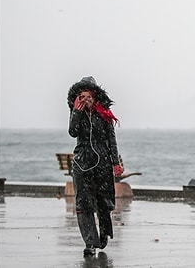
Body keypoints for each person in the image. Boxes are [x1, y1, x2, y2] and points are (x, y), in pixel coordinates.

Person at [67, 76, 124, 257]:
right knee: (84, 204)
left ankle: (105, 233)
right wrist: (76, 112)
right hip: (82, 162)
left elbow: (111, 140)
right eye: (81, 96)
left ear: (94, 94)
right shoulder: (77, 112)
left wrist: (115, 162)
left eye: (88, 95)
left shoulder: (104, 113)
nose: (85, 99)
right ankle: (90, 243)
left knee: (104, 201)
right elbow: (72, 132)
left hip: (103, 163)